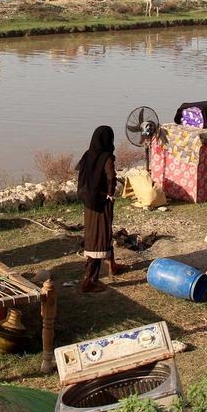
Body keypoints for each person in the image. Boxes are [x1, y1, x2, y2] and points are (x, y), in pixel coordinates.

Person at [76, 125, 122, 292]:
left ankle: (112, 266)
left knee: (100, 232)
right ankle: (89, 281)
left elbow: (81, 172)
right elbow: (111, 177)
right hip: (101, 201)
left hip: (88, 201)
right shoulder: (106, 157)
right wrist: (110, 193)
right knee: (99, 237)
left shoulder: (87, 155)